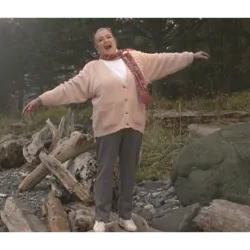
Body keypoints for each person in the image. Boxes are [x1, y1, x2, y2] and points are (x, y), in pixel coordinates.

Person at [22, 27, 209, 234]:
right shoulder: (93, 69)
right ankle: (101, 217)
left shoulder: (135, 58)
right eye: (100, 40)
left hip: (134, 124)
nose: (106, 41)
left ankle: (125, 215)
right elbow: (69, 88)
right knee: (104, 173)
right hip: (107, 127)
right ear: (97, 46)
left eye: (108, 37)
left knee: (129, 172)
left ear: (114, 39)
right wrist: (42, 99)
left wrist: (190, 57)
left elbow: (162, 59)